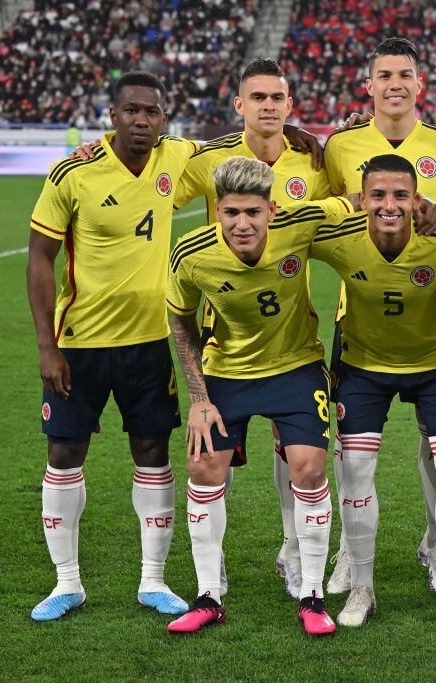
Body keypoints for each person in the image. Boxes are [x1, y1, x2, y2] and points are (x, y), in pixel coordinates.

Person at [27, 71, 195, 622]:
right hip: (80, 345)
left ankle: (153, 581)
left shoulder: (177, 157)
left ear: (164, 117)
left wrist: (307, 137)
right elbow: (40, 259)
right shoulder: (72, 172)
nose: (141, 120)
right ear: (113, 115)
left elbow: (244, 147)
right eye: (131, 111)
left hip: (149, 344)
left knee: (152, 454)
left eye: (151, 111)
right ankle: (66, 584)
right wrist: (47, 346)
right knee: (64, 454)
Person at [164, 157, 353, 635]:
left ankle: (312, 595)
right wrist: (199, 399)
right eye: (230, 213)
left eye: (252, 212)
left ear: (271, 209)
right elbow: (181, 324)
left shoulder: (301, 222)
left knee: (309, 469)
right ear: (217, 213)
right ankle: (208, 595)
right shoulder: (191, 254)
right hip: (227, 373)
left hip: (296, 367)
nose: (241, 224)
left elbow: (357, 202)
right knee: (204, 467)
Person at [171, 57, 333, 601]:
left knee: (297, 454)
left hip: (293, 334)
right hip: (226, 339)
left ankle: (294, 549)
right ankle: (209, 572)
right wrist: (92, 147)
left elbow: (353, 201)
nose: (268, 106)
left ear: (289, 105)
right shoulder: (208, 159)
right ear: (239, 105)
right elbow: (151, 178)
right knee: (210, 456)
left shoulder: (313, 160)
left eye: (277, 98)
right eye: (257, 97)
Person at [323, 36, 436, 594]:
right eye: (384, 74)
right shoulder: (338, 147)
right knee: (350, 451)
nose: (394, 84)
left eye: (404, 74)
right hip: (357, 320)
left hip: (432, 324)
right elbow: (320, 214)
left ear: (419, 84)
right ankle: (347, 552)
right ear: (369, 85)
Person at [309, 153, 436, 629]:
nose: (389, 204)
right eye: (377, 195)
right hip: (363, 369)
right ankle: (362, 586)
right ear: (361, 199)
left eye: (401, 195)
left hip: (435, 366)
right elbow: (285, 230)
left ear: (417, 200)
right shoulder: (341, 238)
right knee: (355, 470)